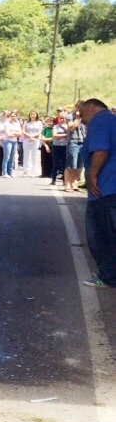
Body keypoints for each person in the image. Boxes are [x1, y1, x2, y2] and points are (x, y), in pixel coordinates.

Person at [78, 98, 116, 288]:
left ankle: (109, 276)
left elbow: (102, 149)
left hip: (104, 190)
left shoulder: (99, 120)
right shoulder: (111, 120)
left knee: (101, 235)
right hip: (111, 188)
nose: (81, 118)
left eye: (82, 113)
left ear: (92, 107)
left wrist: (92, 175)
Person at [65, 101, 87, 192]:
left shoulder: (86, 117)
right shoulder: (70, 116)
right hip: (73, 142)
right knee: (71, 164)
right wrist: (77, 118)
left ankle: (73, 182)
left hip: (83, 142)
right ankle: (67, 184)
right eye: (78, 106)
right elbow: (71, 127)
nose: (79, 108)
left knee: (79, 165)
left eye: (82, 106)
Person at [21, 110, 43, 177]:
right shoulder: (26, 123)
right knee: (26, 156)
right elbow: (23, 131)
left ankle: (33, 171)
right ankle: (25, 171)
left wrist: (33, 136)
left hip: (35, 140)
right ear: (29, 115)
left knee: (34, 156)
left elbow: (39, 131)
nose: (32, 115)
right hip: (27, 140)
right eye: (31, 114)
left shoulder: (39, 123)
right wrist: (29, 136)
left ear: (36, 115)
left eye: (34, 114)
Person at [1, 111, 22, 177]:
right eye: (12, 116)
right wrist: (15, 133)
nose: (13, 117)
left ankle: (10, 172)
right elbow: (8, 134)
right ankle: (5, 172)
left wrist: (12, 132)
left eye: (14, 116)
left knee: (12, 157)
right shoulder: (7, 123)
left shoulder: (17, 123)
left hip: (14, 142)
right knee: (6, 157)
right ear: (9, 117)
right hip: (7, 141)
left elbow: (20, 134)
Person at [50, 113, 68, 185]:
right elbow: (55, 135)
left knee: (64, 164)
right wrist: (65, 135)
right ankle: (53, 180)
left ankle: (65, 180)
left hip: (65, 146)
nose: (62, 120)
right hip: (56, 146)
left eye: (63, 118)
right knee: (55, 163)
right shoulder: (56, 126)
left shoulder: (68, 127)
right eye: (60, 118)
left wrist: (66, 129)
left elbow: (71, 134)